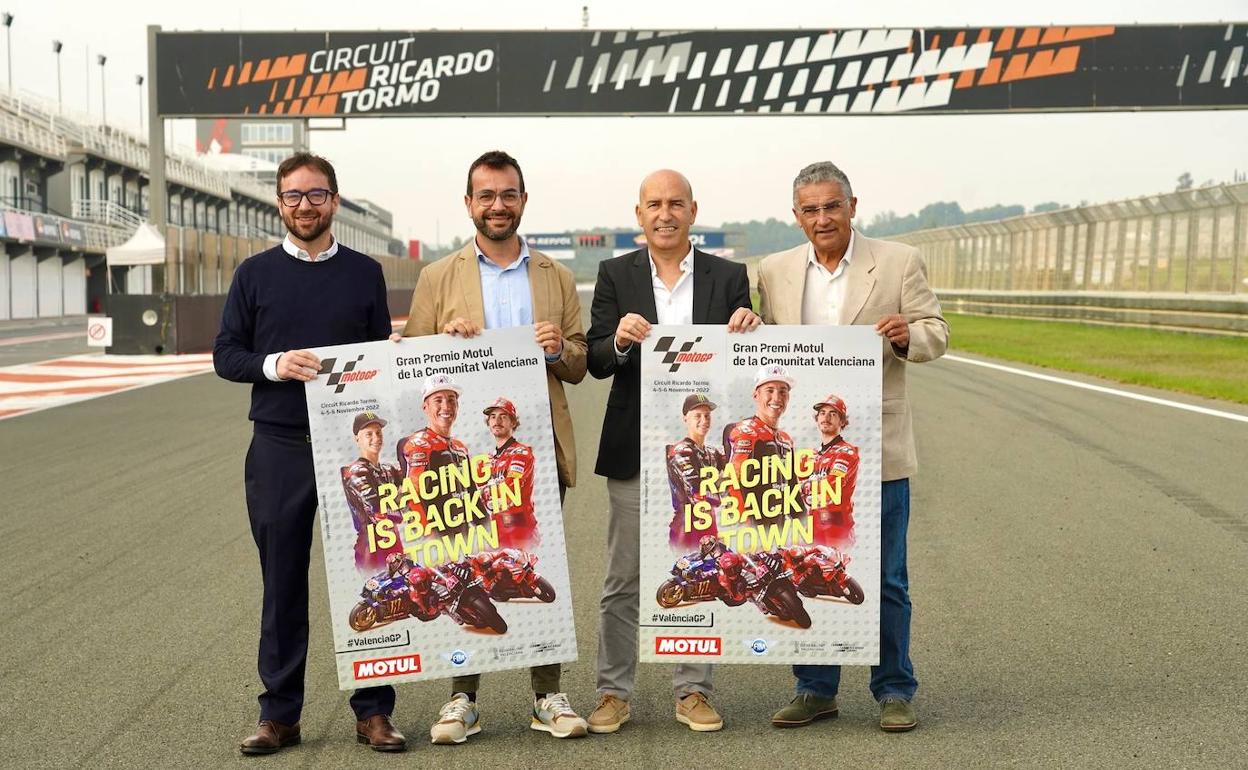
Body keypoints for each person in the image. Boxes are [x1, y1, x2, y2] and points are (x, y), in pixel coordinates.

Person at [213, 152, 406, 754]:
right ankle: (279, 715)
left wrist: (403, 349)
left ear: (335, 201)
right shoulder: (254, 275)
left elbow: (379, 360)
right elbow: (226, 355)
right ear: (279, 203)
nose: (305, 205)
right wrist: (274, 365)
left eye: (316, 195)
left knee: (375, 577)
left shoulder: (364, 273)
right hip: (279, 447)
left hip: (353, 449)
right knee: (283, 583)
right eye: (293, 196)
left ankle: (374, 710)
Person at [398, 150, 588, 742]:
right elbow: (409, 362)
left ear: (523, 200)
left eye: (508, 194)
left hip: (532, 453)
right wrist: (442, 343)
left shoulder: (554, 275)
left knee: (534, 565)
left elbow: (581, 364)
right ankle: (462, 697)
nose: (498, 205)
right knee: (464, 564)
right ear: (469, 203)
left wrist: (558, 347)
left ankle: (546, 695)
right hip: (463, 462)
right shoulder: (437, 277)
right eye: (487, 195)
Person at [758, 161, 948, 733]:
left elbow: (936, 330)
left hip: (879, 448)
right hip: (804, 461)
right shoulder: (773, 270)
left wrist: (907, 335)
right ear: (796, 217)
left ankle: (893, 688)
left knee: (887, 575)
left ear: (852, 205)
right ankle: (815, 687)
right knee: (805, 565)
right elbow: (756, 345)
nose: (822, 218)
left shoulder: (898, 261)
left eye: (831, 206)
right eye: (810, 210)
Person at [587, 168, 760, 735]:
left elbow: (749, 360)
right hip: (635, 447)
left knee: (700, 564)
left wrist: (751, 327)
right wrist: (617, 340)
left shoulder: (729, 275)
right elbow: (594, 359)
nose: (665, 213)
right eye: (654, 204)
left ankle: (693, 690)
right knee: (624, 579)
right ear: (638, 214)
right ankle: (613, 693)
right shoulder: (614, 274)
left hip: (707, 456)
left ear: (693, 210)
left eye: (676, 203)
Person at [399, 374, 474, 540]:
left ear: (458, 405)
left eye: (451, 400)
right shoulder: (419, 443)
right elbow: (411, 495)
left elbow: (473, 497)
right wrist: (431, 537)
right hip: (439, 544)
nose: (446, 406)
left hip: (464, 538)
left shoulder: (460, 447)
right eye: (438, 400)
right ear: (425, 407)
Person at [723, 365, 799, 520]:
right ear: (756, 395)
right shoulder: (746, 432)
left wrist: (806, 529)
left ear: (788, 397)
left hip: (780, 534)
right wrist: (747, 530)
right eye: (769, 390)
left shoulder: (786, 439)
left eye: (782, 391)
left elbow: (793, 493)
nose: (777, 398)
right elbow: (731, 484)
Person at [340, 411, 405, 572]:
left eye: (378, 432)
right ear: (357, 438)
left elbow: (414, 492)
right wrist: (400, 496)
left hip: (393, 542)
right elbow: (377, 507)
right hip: (371, 547)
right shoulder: (355, 471)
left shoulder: (389, 469)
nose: (376, 438)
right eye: (369, 434)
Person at [665, 393, 726, 551]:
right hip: (686, 529)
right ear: (685, 418)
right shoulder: (679, 451)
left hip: (709, 526)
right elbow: (697, 490)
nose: (704, 420)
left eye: (707, 416)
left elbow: (737, 475)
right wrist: (723, 482)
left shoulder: (713, 453)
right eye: (697, 416)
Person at [480, 398, 538, 549]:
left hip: (519, 528)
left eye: (503, 416)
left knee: (519, 572)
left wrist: (482, 493)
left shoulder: (521, 453)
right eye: (493, 417)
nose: (497, 420)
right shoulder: (487, 459)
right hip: (496, 530)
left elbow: (510, 489)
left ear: (513, 422)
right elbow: (473, 492)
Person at [804, 395, 860, 550]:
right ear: (817, 419)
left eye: (833, 414)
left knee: (833, 573)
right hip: (813, 526)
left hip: (837, 527)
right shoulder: (812, 455)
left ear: (842, 421)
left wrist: (804, 488)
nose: (826, 417)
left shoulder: (846, 452)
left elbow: (831, 488)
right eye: (822, 413)